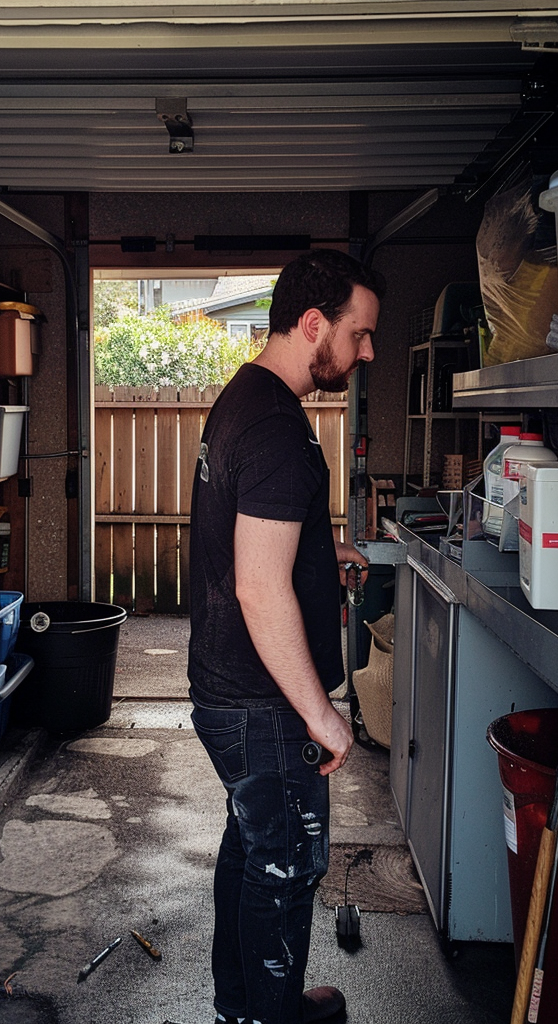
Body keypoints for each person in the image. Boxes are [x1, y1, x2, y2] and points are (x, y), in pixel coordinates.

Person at [188, 249, 381, 1024]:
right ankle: (270, 1016)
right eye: (358, 334)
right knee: (286, 865)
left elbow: (253, 539)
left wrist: (314, 548)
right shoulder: (272, 425)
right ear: (312, 325)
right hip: (263, 706)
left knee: (251, 854)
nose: (366, 352)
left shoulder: (248, 397)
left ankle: (245, 1009)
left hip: (230, 690)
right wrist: (321, 714)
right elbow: (258, 587)